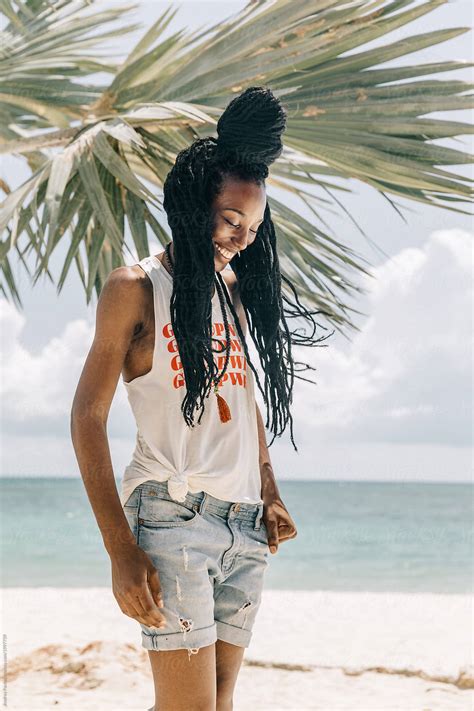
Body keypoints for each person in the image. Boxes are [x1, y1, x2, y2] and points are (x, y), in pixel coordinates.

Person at [71, 86, 330, 711]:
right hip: (173, 515)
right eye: (230, 219)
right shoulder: (136, 288)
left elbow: (244, 401)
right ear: (192, 205)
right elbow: (87, 417)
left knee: (217, 702)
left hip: (244, 526)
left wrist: (268, 489)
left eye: (253, 226)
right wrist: (120, 550)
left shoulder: (238, 293)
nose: (241, 236)